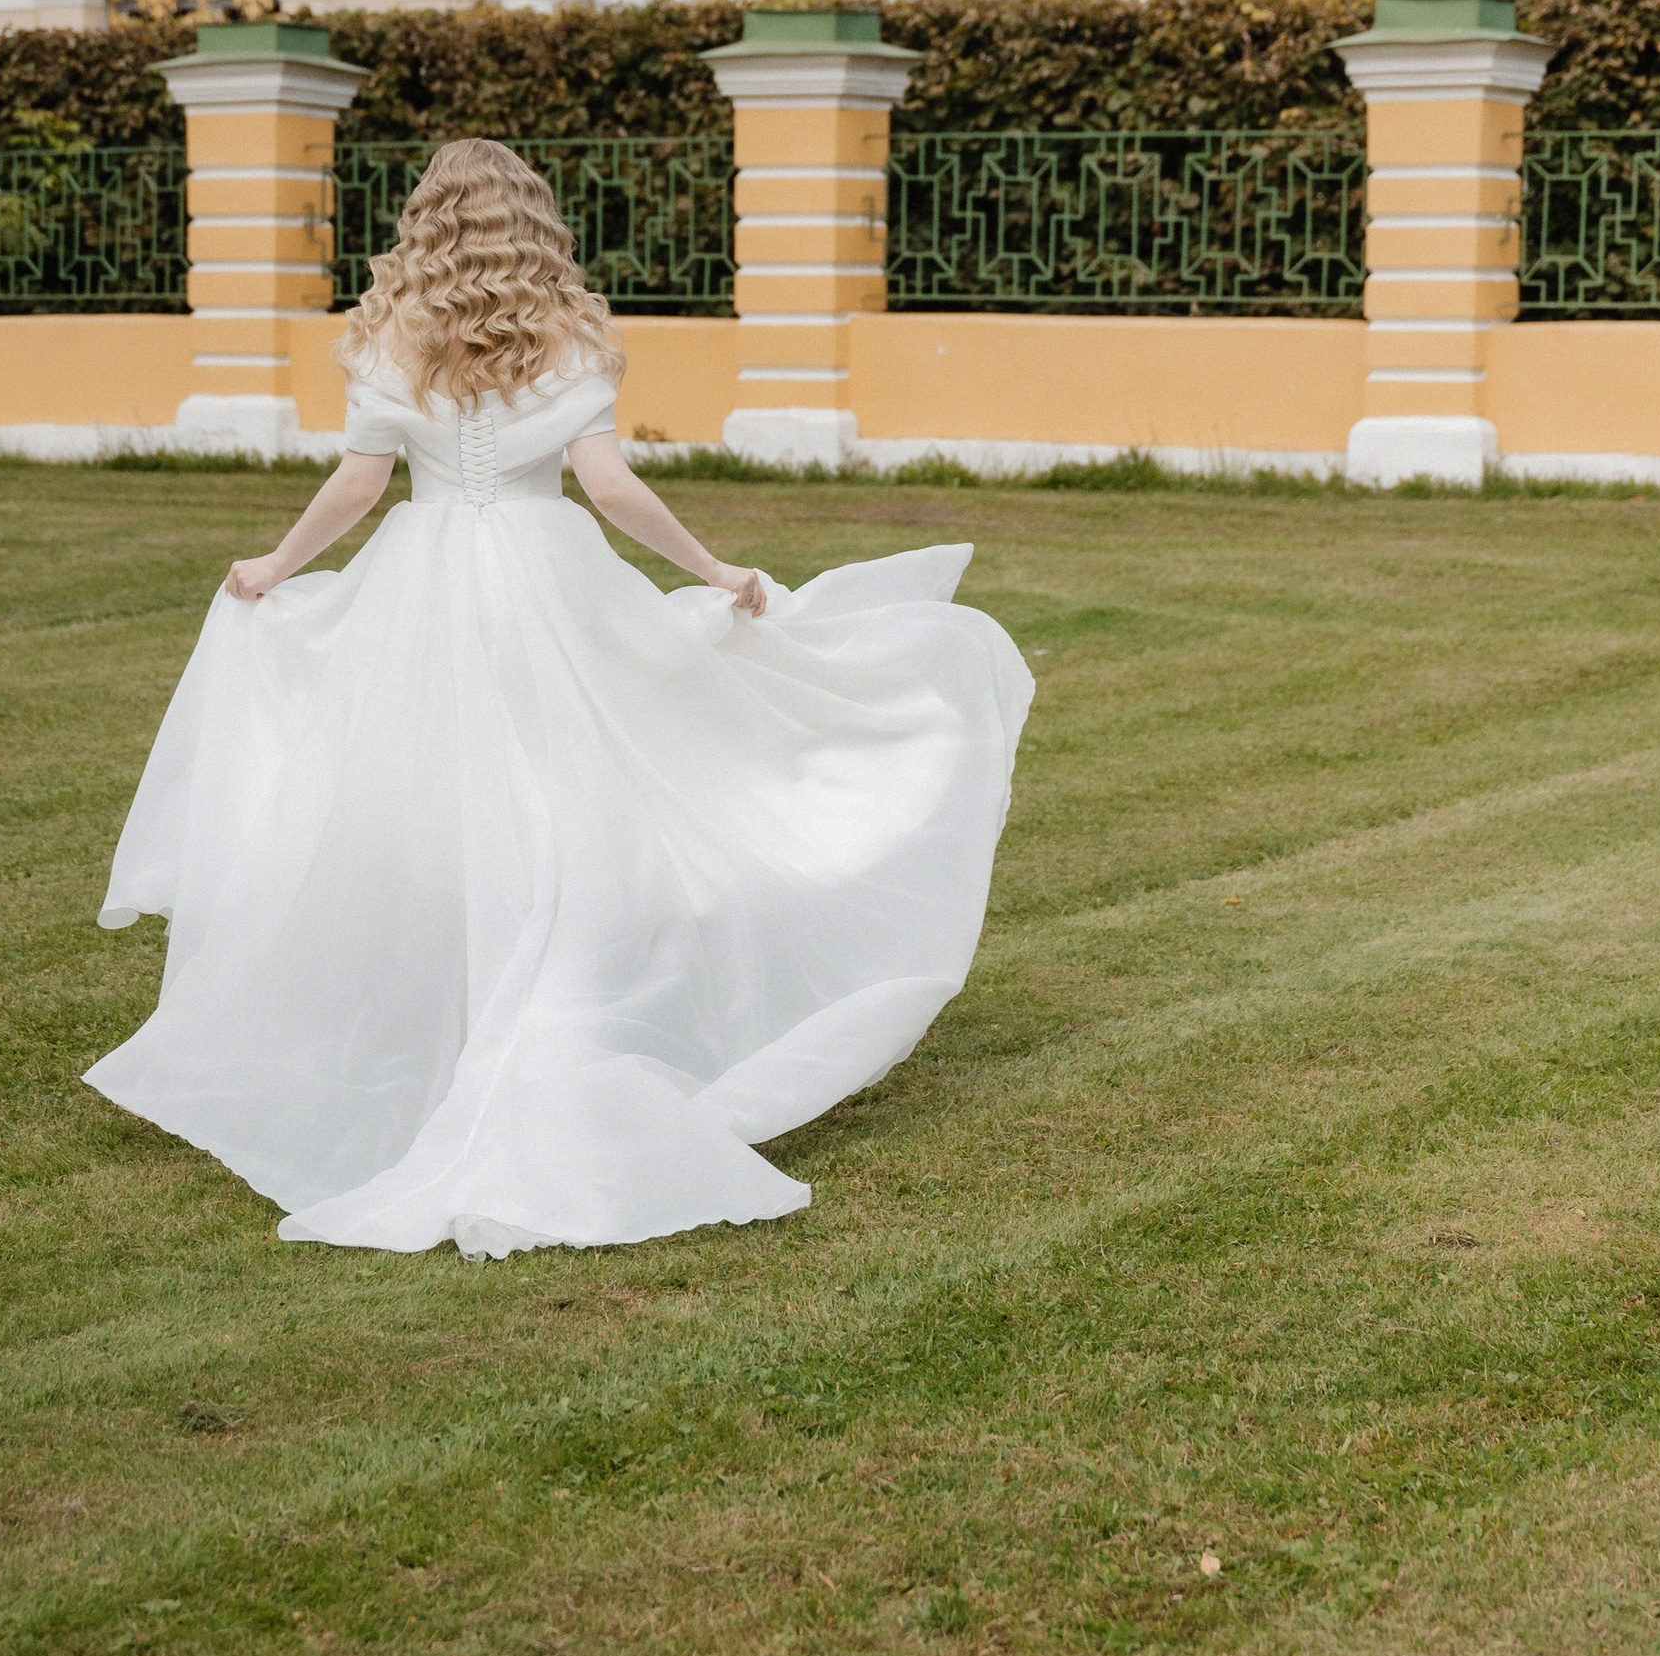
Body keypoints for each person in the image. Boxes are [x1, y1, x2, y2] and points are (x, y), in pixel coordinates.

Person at [87, 138, 1032, 1257]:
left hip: (423, 577)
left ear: (426, 223)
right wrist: (715, 569)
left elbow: (359, 481)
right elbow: (610, 486)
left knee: (420, 800)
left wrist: (273, 569)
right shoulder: (573, 332)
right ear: (533, 221)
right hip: (545, 572)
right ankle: (551, 1012)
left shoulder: (389, 331)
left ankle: (458, 1027)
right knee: (569, 790)